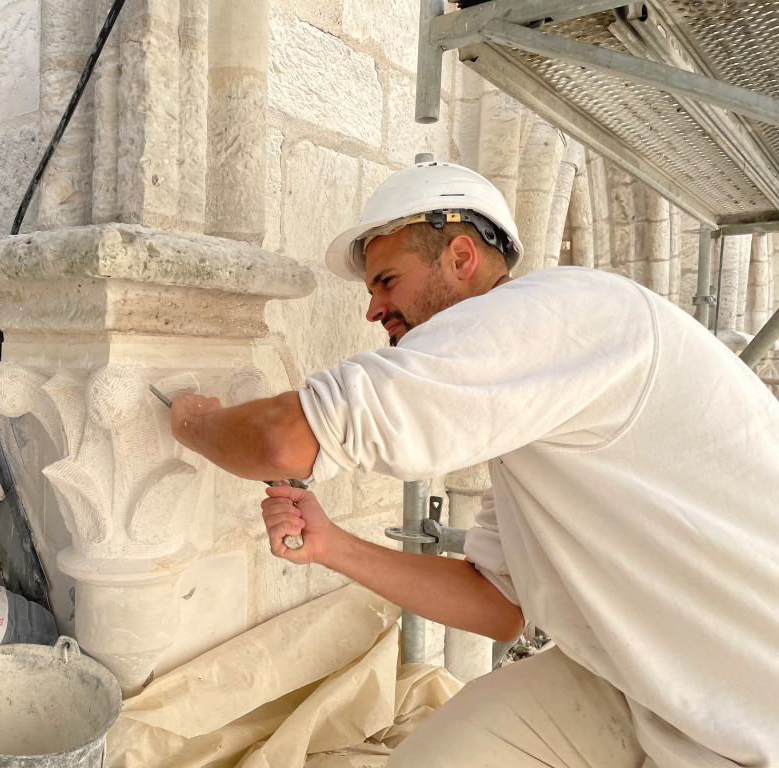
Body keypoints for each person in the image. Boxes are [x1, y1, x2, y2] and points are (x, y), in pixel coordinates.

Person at [170, 162, 779, 768]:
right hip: (637, 680)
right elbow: (497, 605)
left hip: (749, 713)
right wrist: (332, 545)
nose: (374, 310)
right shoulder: (539, 404)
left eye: (387, 280)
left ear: (461, 258)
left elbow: (285, 440)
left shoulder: (558, 315)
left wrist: (194, 421)